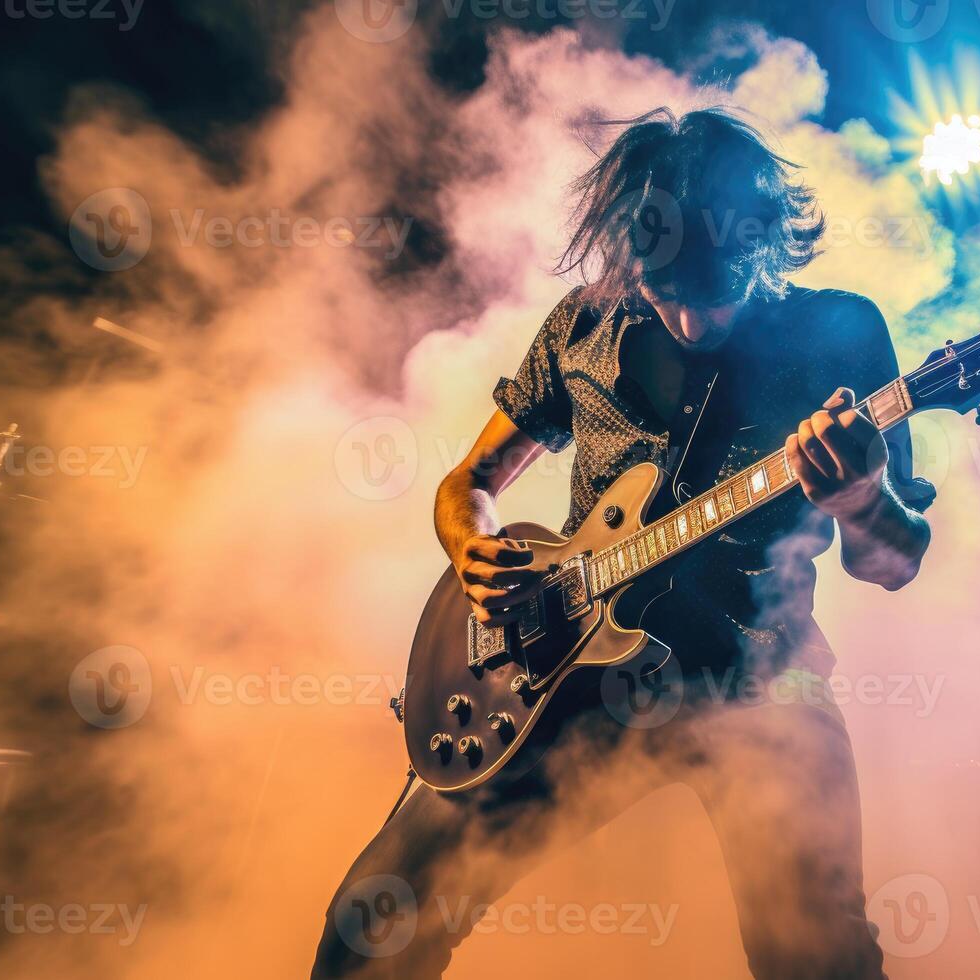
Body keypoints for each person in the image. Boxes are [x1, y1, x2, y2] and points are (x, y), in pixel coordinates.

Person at [312, 107, 935, 979]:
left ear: (763, 246)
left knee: (820, 958)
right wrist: (472, 546)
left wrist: (865, 500)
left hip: (760, 679)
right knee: (374, 922)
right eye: (662, 293)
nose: (687, 321)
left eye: (711, 294)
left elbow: (895, 562)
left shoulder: (839, 334)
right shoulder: (584, 326)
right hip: (570, 669)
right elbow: (468, 484)